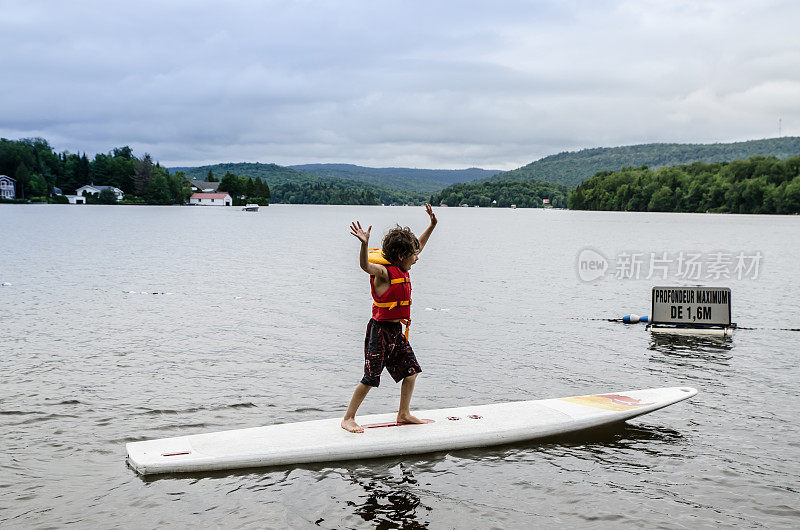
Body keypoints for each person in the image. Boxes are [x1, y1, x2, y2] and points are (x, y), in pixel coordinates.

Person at [341, 204, 438, 433]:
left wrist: (432, 225)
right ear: (402, 256)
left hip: (396, 332)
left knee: (411, 371)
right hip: (380, 332)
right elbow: (365, 266)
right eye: (414, 255)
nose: (417, 258)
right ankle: (348, 418)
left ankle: (403, 413)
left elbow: (419, 246)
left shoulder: (403, 267)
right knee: (370, 378)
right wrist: (364, 244)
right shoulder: (384, 274)